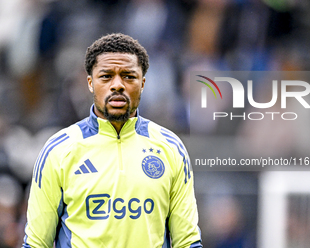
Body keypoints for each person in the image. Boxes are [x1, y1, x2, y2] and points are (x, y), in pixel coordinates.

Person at [22, 33, 202, 248]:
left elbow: (188, 242)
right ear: (90, 83)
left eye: (128, 76)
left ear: (142, 83)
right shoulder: (59, 150)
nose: (117, 85)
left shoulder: (170, 147)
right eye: (106, 76)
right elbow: (35, 243)